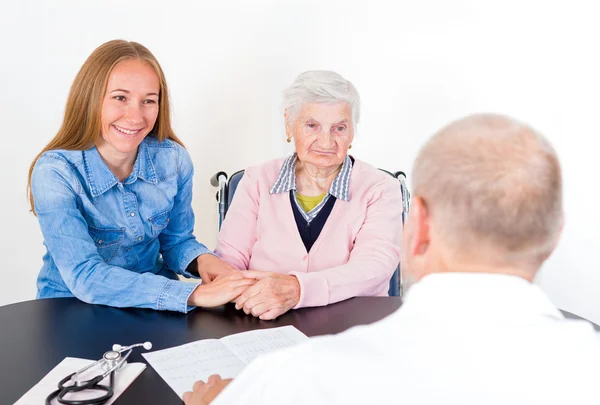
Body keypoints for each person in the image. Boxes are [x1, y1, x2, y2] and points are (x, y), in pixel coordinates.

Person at [183, 113, 600, 404]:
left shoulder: (294, 378)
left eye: (339, 127)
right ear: (555, 235)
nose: (325, 140)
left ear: (415, 224)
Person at [28, 40, 255, 312]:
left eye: (148, 101)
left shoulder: (173, 159)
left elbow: (176, 241)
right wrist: (192, 294)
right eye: (120, 98)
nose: (135, 117)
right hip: (72, 309)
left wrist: (206, 262)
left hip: (151, 308)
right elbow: (84, 276)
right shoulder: (55, 172)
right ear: (90, 98)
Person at [212, 70, 404, 320]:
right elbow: (229, 263)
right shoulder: (256, 180)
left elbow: (373, 269)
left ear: (352, 132)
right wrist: (256, 298)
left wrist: (297, 289)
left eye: (339, 128)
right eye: (312, 125)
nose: (326, 142)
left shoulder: (381, 188)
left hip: (352, 325)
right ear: (289, 124)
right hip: (262, 322)